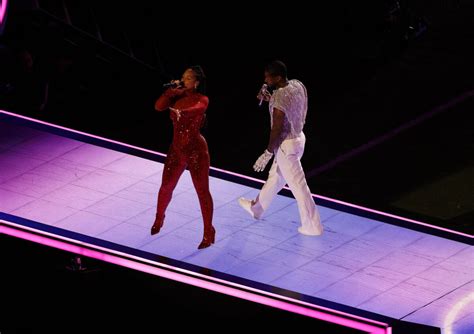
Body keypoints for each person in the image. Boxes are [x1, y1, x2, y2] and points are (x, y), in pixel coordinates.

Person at [238, 60, 323, 236]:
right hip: (299, 138)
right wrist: (271, 100)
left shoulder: (279, 98)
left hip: (286, 146)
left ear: (278, 77)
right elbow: (289, 106)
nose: (266, 80)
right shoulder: (297, 85)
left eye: (269, 78)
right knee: (275, 177)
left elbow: (276, 127)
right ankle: (257, 208)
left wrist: (268, 152)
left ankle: (313, 226)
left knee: (299, 187)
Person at [151, 65, 215, 249]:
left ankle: (208, 231)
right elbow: (158, 107)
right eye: (183, 77)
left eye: (188, 78)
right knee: (165, 187)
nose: (184, 80)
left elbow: (198, 109)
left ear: (196, 82)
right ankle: (159, 218)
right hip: (176, 150)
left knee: (202, 191)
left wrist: (182, 112)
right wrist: (169, 93)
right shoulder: (176, 96)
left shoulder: (203, 99)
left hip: (196, 151)